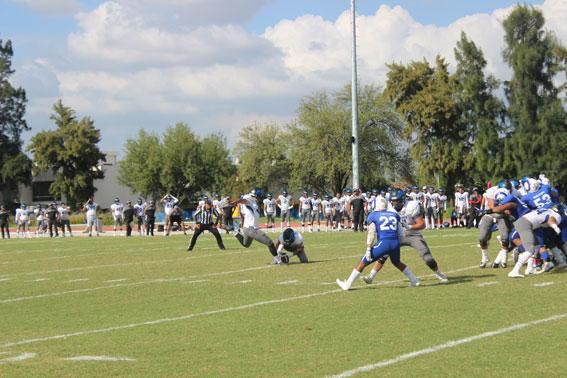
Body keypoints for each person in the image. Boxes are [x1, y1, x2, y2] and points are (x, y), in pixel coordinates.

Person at [361, 189, 448, 283]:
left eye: (397, 200)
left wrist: (409, 226)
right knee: (383, 255)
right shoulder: (389, 208)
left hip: (413, 234)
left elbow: (422, 225)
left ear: (402, 199)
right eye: (393, 201)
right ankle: (371, 276)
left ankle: (439, 274)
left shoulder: (411, 206)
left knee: (428, 258)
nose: (395, 203)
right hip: (396, 235)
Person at [336, 196, 421, 290]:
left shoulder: (373, 215)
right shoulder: (393, 214)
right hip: (395, 242)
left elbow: (371, 233)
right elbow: (401, 233)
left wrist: (369, 248)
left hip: (384, 242)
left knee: (363, 262)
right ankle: (414, 280)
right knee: (397, 262)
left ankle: (347, 284)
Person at [231, 189, 281, 263]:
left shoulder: (254, 202)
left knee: (246, 244)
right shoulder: (250, 198)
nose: (260, 199)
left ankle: (233, 232)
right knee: (269, 242)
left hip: (247, 228)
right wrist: (237, 202)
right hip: (252, 229)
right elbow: (244, 200)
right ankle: (280, 261)